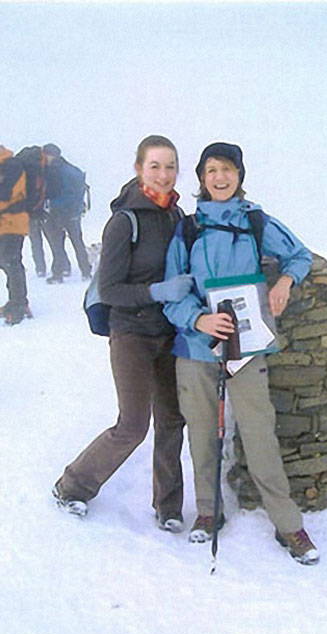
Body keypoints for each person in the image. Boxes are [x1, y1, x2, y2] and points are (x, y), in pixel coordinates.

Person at [163, 142, 319, 564]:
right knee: (200, 432)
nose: (219, 177)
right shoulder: (189, 229)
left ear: (239, 175)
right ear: (201, 178)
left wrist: (285, 281)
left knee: (259, 432)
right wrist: (198, 320)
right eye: (211, 170)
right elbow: (173, 290)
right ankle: (209, 512)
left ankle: (289, 525)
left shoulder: (255, 221)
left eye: (227, 169)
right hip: (197, 345)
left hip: (248, 346)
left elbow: (299, 255)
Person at [53, 135, 193, 532]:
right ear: (139, 169)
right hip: (130, 333)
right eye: (155, 166)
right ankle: (72, 485)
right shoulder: (124, 220)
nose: (163, 174)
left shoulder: (177, 217)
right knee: (133, 424)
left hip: (168, 334)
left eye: (169, 166)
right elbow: (111, 290)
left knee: (172, 418)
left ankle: (167, 507)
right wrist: (157, 292)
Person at [15, 144, 69, 278]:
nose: (53, 160)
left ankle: (40, 268)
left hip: (31, 209)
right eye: (53, 157)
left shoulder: (32, 163)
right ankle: (57, 268)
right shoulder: (35, 166)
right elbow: (35, 189)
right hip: (36, 209)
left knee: (35, 239)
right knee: (53, 239)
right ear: (48, 154)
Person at [42, 144, 92, 283]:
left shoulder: (55, 170)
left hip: (60, 212)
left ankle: (59, 273)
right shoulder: (71, 169)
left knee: (57, 243)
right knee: (77, 241)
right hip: (74, 212)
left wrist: (52, 205)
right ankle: (86, 271)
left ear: (50, 155)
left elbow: (57, 192)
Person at [0, 145, 31, 325]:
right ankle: (15, 301)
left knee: (12, 263)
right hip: (5, 223)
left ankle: (19, 305)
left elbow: (5, 194)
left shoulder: (12, 166)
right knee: (7, 264)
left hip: (13, 223)